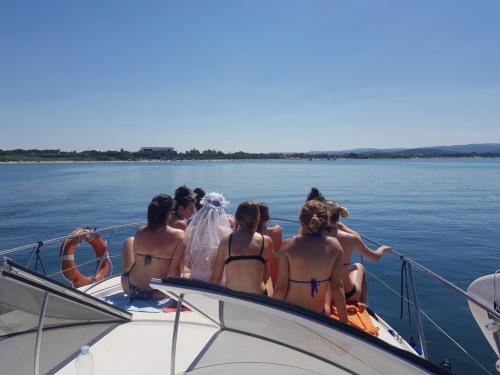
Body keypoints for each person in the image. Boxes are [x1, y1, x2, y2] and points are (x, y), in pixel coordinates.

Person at [273, 200, 348, 323]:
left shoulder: (288, 247)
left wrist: (271, 317)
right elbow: (337, 287)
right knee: (329, 286)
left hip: (291, 315)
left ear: (301, 220)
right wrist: (344, 322)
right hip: (318, 315)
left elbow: (280, 289)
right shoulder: (335, 246)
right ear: (325, 221)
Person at [324, 200, 391, 304]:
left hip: (324, 295)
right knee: (359, 266)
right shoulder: (351, 238)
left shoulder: (314, 236)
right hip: (348, 294)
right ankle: (364, 305)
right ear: (338, 216)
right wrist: (382, 249)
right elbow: (374, 257)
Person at [123, 194, 185, 300]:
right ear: (169, 214)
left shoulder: (140, 231)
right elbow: (175, 271)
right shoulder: (179, 236)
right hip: (157, 293)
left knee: (129, 241)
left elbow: (138, 262)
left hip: (132, 288)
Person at [211, 201, 273, 295]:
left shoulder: (225, 242)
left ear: (237, 218)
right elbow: (268, 273)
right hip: (259, 299)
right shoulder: (265, 241)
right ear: (257, 219)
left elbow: (215, 279)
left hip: (232, 298)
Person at [185, 192, 232, 281]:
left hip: (196, 279)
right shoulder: (226, 233)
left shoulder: (192, 231)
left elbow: (188, 263)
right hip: (217, 281)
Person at [256, 202, 282, 286]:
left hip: (258, 276)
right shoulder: (277, 231)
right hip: (276, 274)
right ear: (267, 218)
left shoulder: (251, 236)